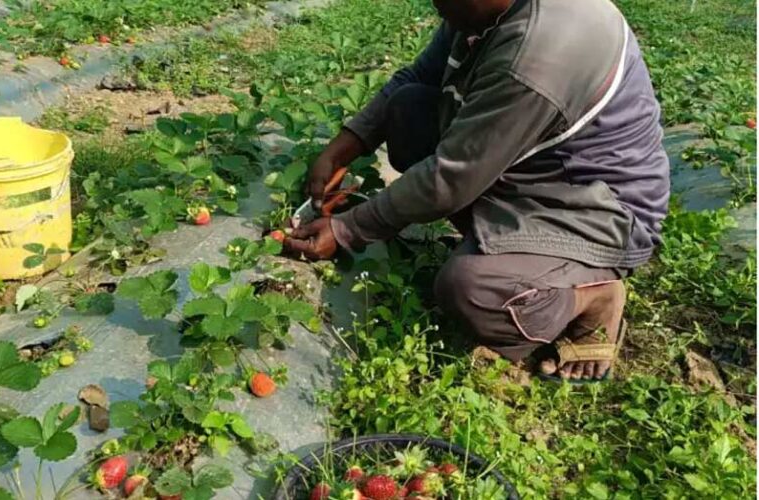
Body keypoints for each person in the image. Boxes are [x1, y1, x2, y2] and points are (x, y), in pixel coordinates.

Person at [283, 0, 670, 382]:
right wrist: (343, 147)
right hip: (532, 170)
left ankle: (594, 293)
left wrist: (346, 229)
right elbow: (419, 74)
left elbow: (450, 178)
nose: (434, 5)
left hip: (594, 209)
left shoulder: (541, 52)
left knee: (472, 290)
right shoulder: (484, 11)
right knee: (407, 110)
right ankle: (507, 247)